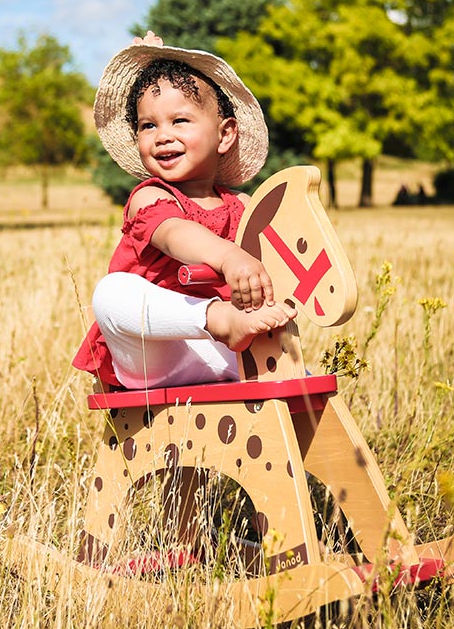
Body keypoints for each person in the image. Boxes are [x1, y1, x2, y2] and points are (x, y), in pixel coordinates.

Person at [73, 33, 296, 390]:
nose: (162, 135)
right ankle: (217, 319)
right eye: (149, 125)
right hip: (157, 354)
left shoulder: (242, 207)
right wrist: (229, 257)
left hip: (226, 351)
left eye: (179, 121)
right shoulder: (150, 198)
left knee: (276, 331)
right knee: (111, 293)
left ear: (225, 135)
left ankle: (281, 376)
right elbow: (177, 234)